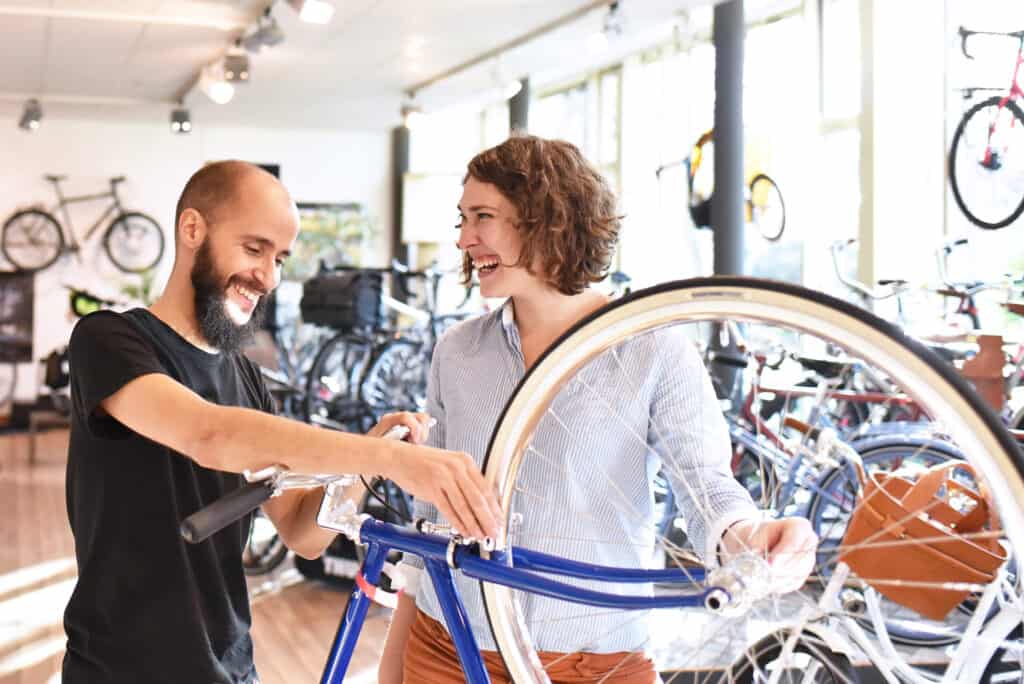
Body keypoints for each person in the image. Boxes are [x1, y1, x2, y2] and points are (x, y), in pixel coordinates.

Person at [378, 135, 818, 684]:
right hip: (447, 646)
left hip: (594, 665)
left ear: (549, 219)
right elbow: (432, 524)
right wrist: (394, 663)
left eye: (483, 217)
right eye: (462, 219)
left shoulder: (655, 350)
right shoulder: (459, 351)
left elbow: (705, 485)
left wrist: (752, 535)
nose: (465, 239)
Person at [61, 160, 500, 684]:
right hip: (119, 670)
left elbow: (301, 532)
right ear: (193, 229)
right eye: (253, 249)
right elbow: (210, 434)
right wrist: (392, 458)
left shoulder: (246, 379)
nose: (267, 277)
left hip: (229, 669)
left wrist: (367, 461)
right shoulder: (110, 340)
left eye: (279, 259)